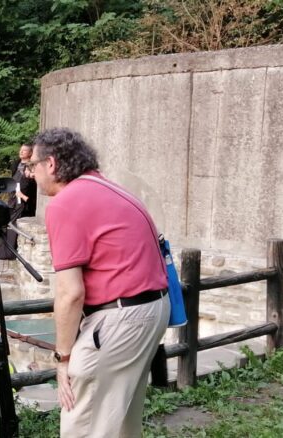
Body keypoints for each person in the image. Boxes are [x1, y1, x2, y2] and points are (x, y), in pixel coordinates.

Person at [27, 127, 169, 438]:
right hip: (151, 308)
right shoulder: (112, 189)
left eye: (32, 165)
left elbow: (70, 293)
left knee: (84, 422)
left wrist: (63, 358)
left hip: (120, 317)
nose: (31, 174)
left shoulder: (65, 203)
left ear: (51, 164)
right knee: (120, 422)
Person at [11, 143, 37, 217]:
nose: (21, 152)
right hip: (13, 203)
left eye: (24, 150)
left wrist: (23, 196)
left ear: (30, 153)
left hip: (26, 206)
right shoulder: (15, 165)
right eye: (20, 150)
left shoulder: (32, 167)